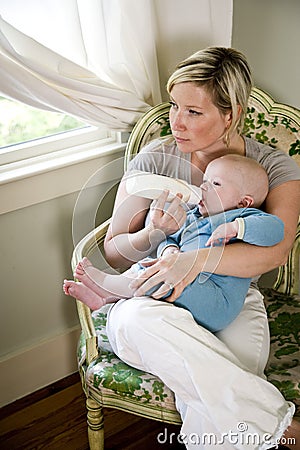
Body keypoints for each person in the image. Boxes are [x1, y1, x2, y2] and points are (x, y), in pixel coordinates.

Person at [86, 47, 300, 448]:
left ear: (232, 114)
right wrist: (150, 235)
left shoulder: (272, 168)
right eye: (173, 106)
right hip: (149, 301)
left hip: (227, 298)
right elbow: (114, 253)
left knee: (214, 389)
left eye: (193, 112)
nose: (175, 122)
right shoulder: (155, 160)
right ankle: (284, 430)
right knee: (141, 325)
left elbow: (275, 251)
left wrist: (191, 260)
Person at [64, 154, 285, 334]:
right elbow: (169, 238)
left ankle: (108, 289)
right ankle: (109, 296)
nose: (204, 187)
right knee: (156, 265)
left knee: (154, 272)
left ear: (243, 201)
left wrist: (237, 228)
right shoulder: (193, 216)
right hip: (185, 285)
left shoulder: (246, 215)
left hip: (216, 300)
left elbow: (275, 231)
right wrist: (169, 248)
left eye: (215, 184)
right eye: (205, 181)